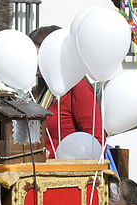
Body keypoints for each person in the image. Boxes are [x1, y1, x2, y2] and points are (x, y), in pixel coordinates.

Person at [29, 25, 104, 158]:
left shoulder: (78, 88)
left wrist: (51, 155)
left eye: (37, 55)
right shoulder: (40, 91)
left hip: (67, 173)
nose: (32, 61)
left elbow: (96, 142)